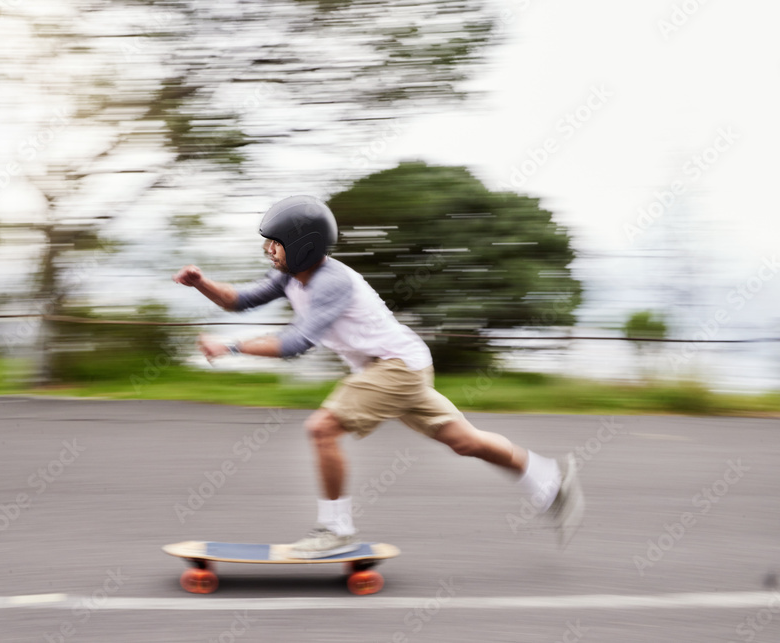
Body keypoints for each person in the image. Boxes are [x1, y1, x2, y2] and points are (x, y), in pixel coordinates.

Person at [173, 195, 584, 558]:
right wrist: (201, 283)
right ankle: (548, 477)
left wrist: (229, 347)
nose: (267, 249)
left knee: (322, 428)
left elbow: (296, 343)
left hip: (395, 369)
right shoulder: (290, 277)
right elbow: (239, 301)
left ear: (303, 247)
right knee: (464, 442)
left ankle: (336, 530)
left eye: (275, 242)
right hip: (401, 365)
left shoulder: (329, 282)